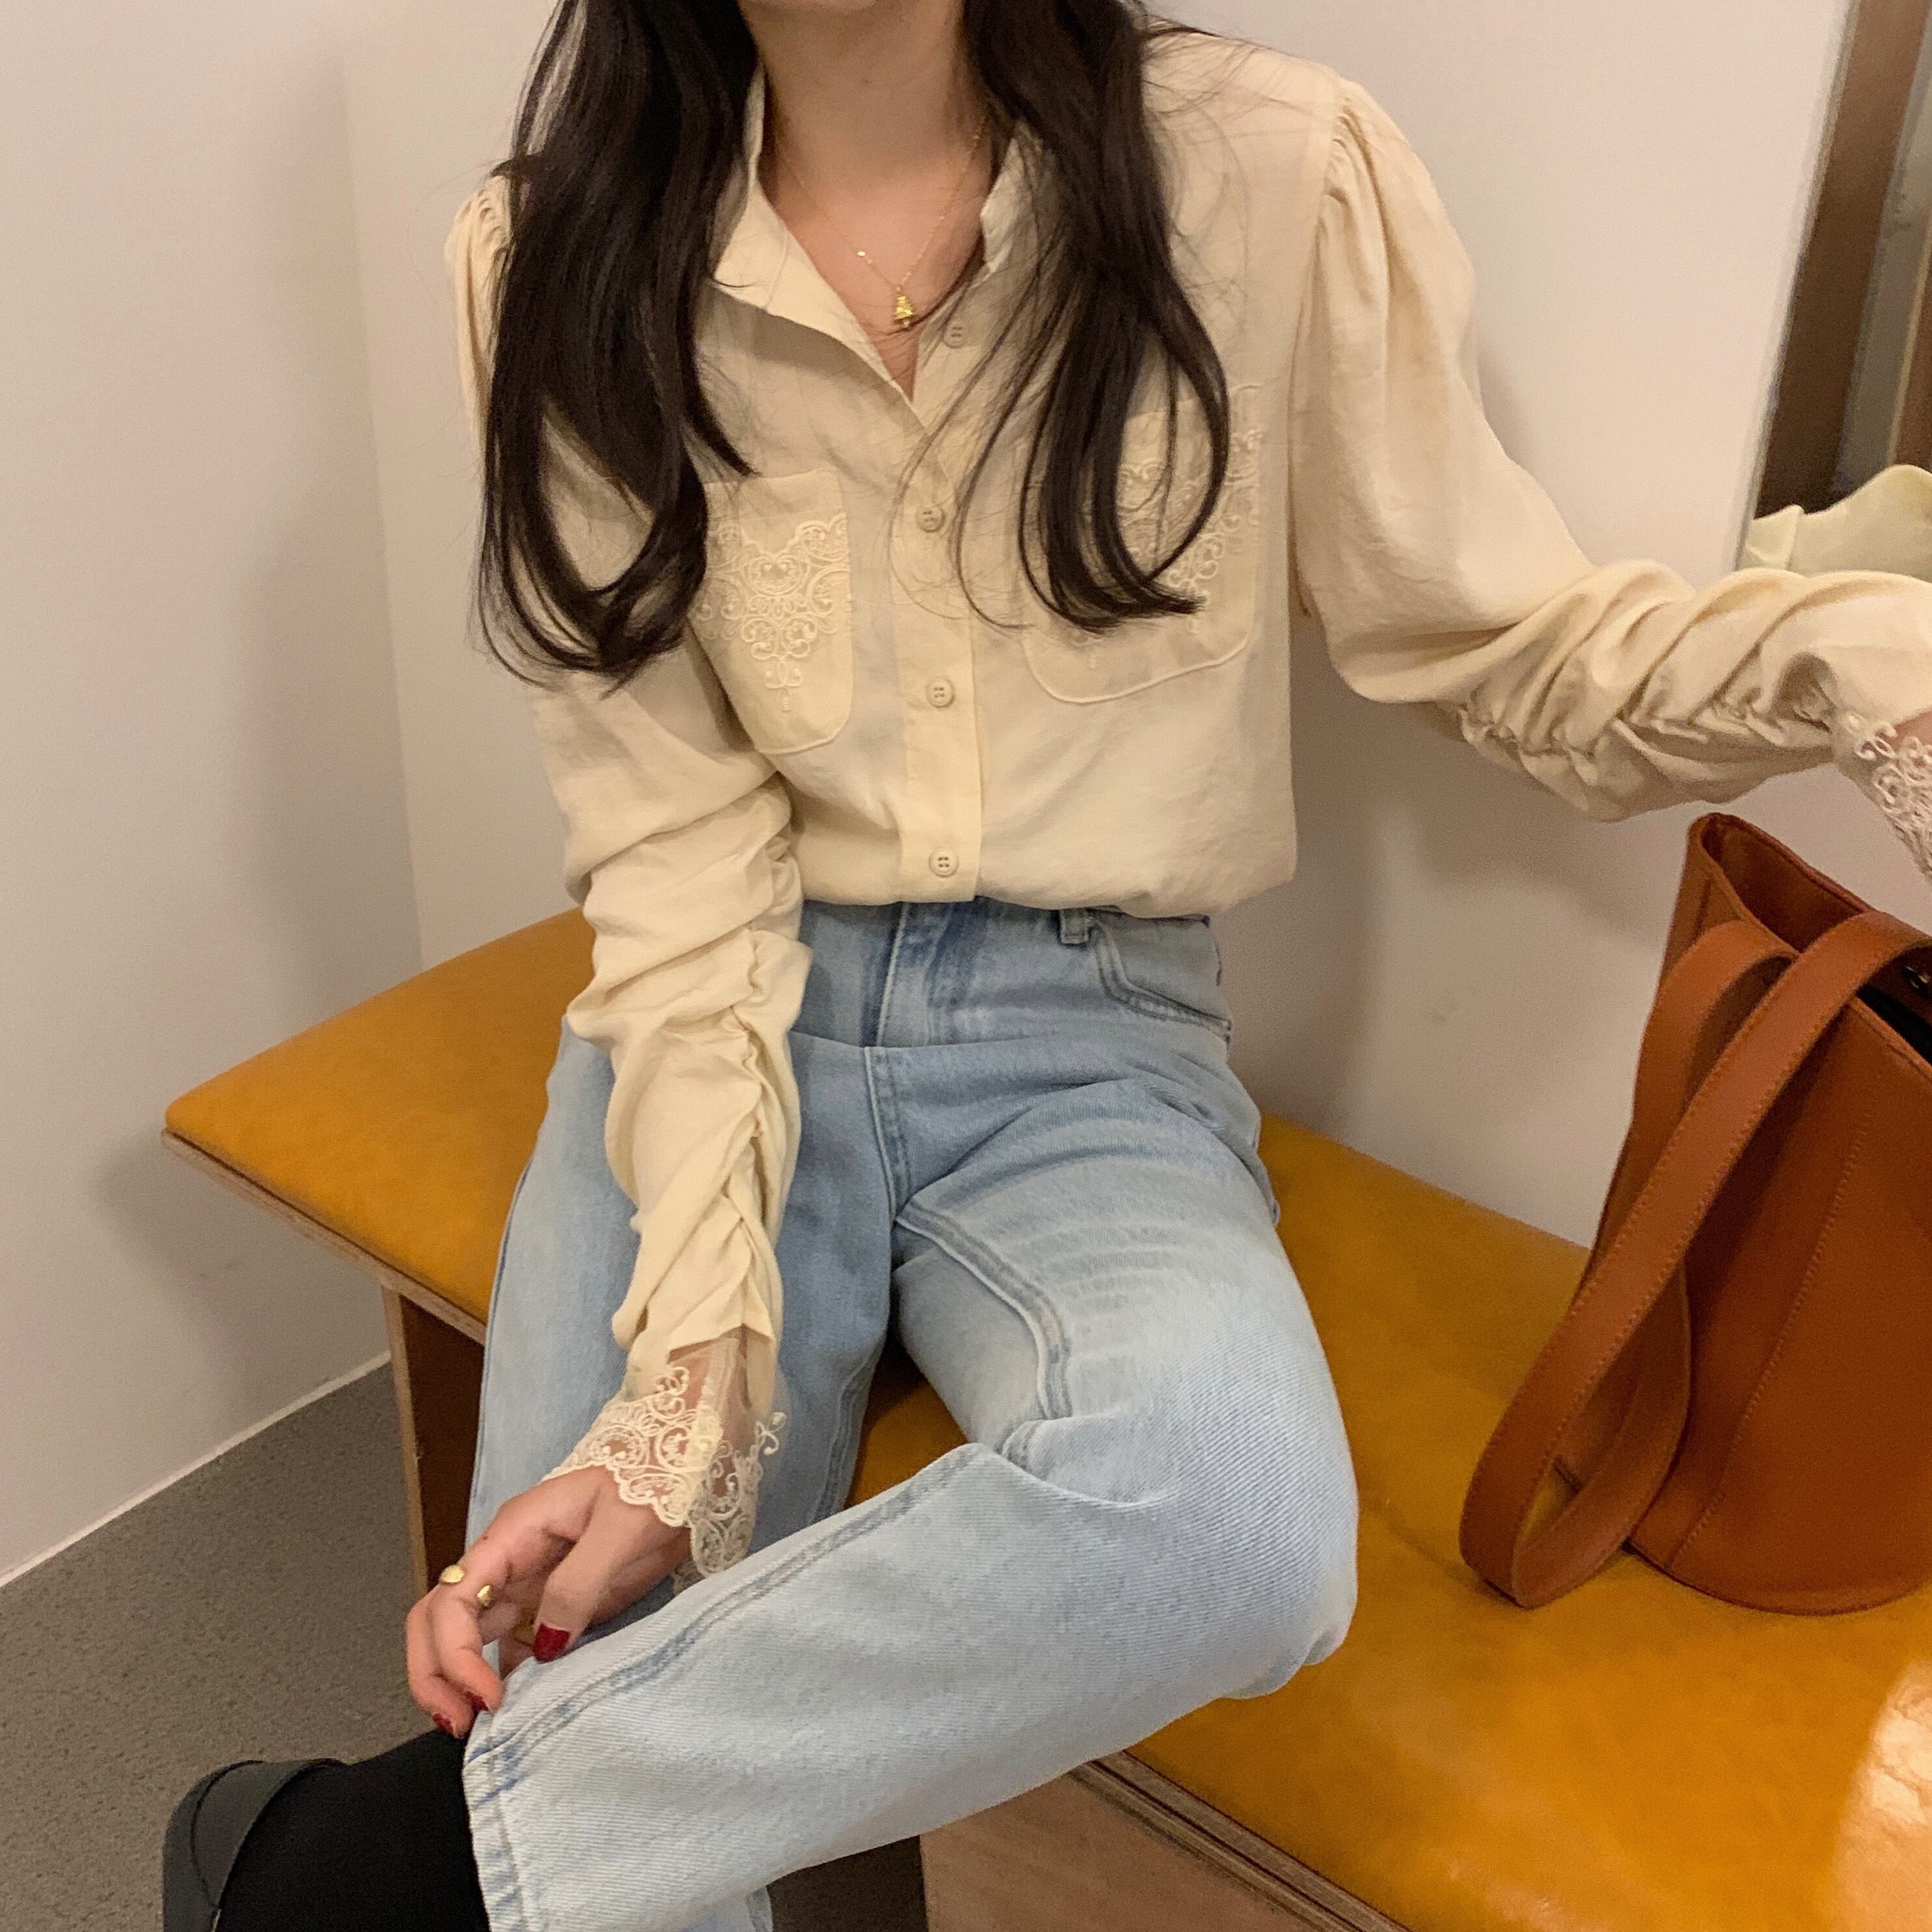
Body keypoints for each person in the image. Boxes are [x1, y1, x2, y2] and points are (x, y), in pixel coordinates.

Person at [163, 2, 1932, 1929]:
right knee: (585, 1636)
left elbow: (1515, 648)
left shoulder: (1266, 175)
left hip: (1090, 1046)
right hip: (718, 1019)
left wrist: (1868, 666)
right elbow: (675, 858)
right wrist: (694, 1380)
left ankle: (367, 1864)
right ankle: (458, 1848)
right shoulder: (552, 255)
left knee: (1232, 1519)